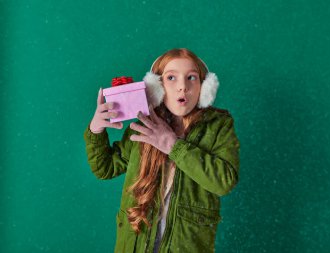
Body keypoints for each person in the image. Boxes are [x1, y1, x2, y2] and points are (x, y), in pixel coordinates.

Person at [84, 48, 240, 253]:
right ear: (157, 87)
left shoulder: (218, 125)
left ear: (204, 87)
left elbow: (224, 181)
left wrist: (173, 146)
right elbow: (104, 168)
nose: (182, 87)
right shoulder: (145, 123)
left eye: (191, 78)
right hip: (136, 244)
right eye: (172, 78)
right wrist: (96, 130)